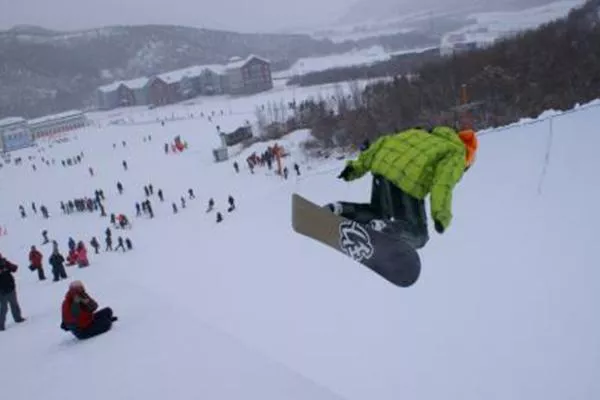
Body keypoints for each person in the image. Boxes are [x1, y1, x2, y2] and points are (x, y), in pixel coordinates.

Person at [325, 126, 478, 250]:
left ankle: (339, 209)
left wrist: (355, 168)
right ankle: (383, 229)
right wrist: (440, 216)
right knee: (418, 236)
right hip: (407, 183)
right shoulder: (457, 153)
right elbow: (442, 185)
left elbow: (384, 142)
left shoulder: (420, 133)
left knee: (377, 212)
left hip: (382, 170)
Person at [0, 253, 25, 331]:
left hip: (10, 288)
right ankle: (1, 325)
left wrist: (8, 265)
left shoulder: (5, 263)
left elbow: (15, 268)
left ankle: (18, 318)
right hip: (2, 291)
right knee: (4, 309)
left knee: (14, 305)